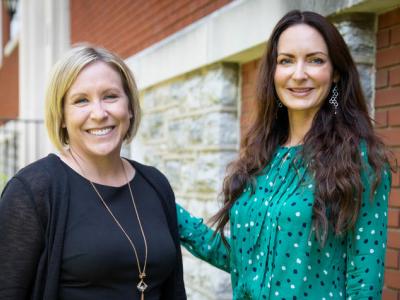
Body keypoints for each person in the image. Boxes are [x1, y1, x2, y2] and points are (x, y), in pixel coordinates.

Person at [177, 10, 392, 300]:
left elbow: (364, 288)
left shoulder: (358, 160)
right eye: (286, 60)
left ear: (336, 73)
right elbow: (243, 261)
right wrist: (162, 203)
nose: (299, 73)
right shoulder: (261, 157)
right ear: (274, 72)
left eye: (315, 60)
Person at [0, 45, 186, 300]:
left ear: (129, 107)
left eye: (110, 96)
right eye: (81, 100)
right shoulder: (33, 190)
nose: (99, 113)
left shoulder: (155, 184)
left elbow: (174, 289)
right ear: (62, 116)